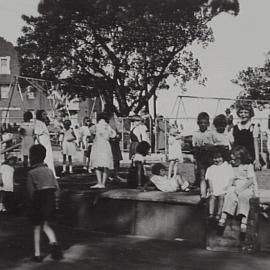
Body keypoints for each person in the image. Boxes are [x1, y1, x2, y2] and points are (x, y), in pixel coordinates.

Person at [27, 144, 62, 262]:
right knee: (46, 224)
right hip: (50, 197)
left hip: (38, 198)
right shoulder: (49, 171)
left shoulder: (32, 173)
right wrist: (56, 201)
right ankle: (54, 244)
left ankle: (37, 254)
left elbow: (30, 191)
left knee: (36, 227)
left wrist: (31, 203)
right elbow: (56, 187)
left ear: (32, 157)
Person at [217, 146, 258, 241]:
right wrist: (228, 187)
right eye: (232, 159)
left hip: (246, 187)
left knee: (244, 197)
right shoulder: (232, 166)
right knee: (230, 195)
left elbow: (251, 180)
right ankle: (222, 219)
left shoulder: (248, 166)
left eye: (235, 159)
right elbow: (231, 178)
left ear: (241, 158)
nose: (233, 161)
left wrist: (241, 189)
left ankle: (243, 225)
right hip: (235, 186)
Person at [205, 146, 234, 225]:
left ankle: (218, 214)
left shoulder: (227, 166)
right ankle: (211, 214)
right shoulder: (211, 168)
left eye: (219, 157)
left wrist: (228, 186)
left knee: (222, 198)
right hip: (214, 187)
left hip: (223, 188)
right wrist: (210, 187)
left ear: (223, 157)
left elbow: (231, 178)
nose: (217, 160)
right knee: (212, 197)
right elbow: (209, 179)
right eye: (214, 158)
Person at [89, 113, 116, 188]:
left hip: (98, 145)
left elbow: (91, 132)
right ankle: (103, 183)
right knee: (106, 164)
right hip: (106, 145)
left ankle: (99, 182)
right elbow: (113, 135)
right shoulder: (108, 126)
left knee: (97, 164)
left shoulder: (96, 126)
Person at [192, 112, 215, 200]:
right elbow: (194, 146)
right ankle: (203, 193)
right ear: (198, 123)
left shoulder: (210, 133)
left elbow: (214, 145)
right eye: (201, 123)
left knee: (210, 175)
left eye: (205, 123)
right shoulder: (196, 133)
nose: (203, 125)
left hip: (209, 157)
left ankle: (211, 191)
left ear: (208, 124)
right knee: (202, 175)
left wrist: (209, 146)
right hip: (200, 157)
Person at [232, 103, 261, 171]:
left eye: (246, 112)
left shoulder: (253, 126)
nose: (243, 115)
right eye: (241, 112)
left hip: (250, 155)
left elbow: (255, 144)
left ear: (250, 114)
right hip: (238, 155)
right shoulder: (236, 127)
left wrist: (257, 160)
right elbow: (233, 143)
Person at [34, 110, 57, 178]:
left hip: (46, 142)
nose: (45, 116)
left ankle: (50, 173)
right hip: (42, 142)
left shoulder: (42, 123)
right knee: (43, 158)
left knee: (49, 158)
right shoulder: (38, 123)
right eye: (44, 114)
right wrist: (40, 144)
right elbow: (37, 134)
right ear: (40, 115)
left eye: (46, 114)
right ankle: (43, 174)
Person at [106, 109, 124, 182]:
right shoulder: (107, 126)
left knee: (117, 160)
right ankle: (108, 175)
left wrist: (118, 136)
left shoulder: (116, 126)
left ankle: (116, 174)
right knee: (110, 160)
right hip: (110, 144)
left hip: (115, 144)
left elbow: (119, 133)